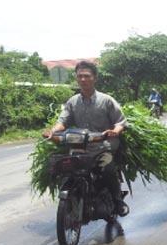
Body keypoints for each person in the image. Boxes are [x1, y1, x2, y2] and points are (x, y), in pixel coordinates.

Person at [43, 60, 129, 216]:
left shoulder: (106, 100)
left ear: (95, 78)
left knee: (108, 170)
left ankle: (118, 201)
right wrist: (52, 132)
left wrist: (115, 131)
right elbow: (62, 121)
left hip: (103, 147)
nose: (83, 79)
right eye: (80, 76)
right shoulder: (72, 102)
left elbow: (120, 121)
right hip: (80, 148)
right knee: (63, 169)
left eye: (87, 76)